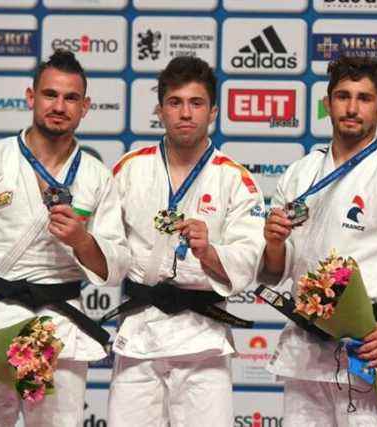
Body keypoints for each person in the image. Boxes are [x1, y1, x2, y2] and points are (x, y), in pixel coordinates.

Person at [0, 49, 131, 426]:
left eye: (71, 98)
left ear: (85, 107)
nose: (59, 105)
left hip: (61, 327)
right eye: (50, 94)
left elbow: (117, 264)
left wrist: (83, 241)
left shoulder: (97, 176)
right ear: (30, 97)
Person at [256, 56, 377, 426]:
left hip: (365, 348)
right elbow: (278, 269)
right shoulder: (300, 172)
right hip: (305, 350)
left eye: (364, 98)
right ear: (328, 102)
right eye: (342, 96)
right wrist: (274, 244)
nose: (352, 107)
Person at [107, 56, 265, 426]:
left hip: (202, 341)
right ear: (159, 110)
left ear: (213, 111)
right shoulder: (130, 168)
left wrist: (209, 252)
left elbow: (250, 256)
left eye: (196, 103)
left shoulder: (234, 179)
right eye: (175, 103)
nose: (185, 113)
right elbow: (107, 245)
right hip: (139, 332)